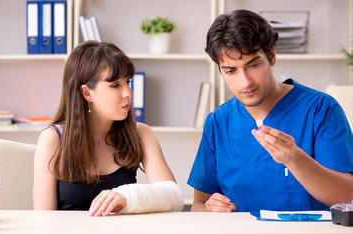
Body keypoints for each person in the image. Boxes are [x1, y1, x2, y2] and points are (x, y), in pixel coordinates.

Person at [187, 9, 353, 212]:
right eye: (231, 71)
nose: (245, 82)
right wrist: (211, 209)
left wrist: (295, 159)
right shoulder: (218, 122)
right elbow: (198, 204)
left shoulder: (320, 109)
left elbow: (348, 196)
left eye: (253, 64)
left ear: (271, 56)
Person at [33, 41, 183, 216]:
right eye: (115, 85)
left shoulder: (140, 133)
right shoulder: (53, 139)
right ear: (87, 93)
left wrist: (128, 197)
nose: (128, 92)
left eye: (128, 82)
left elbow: (173, 197)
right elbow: (43, 221)